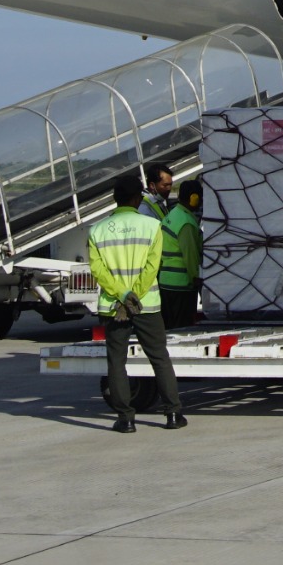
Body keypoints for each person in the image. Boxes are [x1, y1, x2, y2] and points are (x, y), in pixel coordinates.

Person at [88, 172, 183, 432]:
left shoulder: (96, 231)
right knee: (159, 358)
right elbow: (152, 267)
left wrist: (122, 297)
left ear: (115, 199)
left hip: (113, 308)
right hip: (147, 304)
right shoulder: (152, 227)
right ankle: (173, 414)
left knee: (117, 362)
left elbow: (98, 271)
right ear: (137, 199)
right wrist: (134, 297)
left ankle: (125, 419)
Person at [158, 178, 205, 330]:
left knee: (169, 327)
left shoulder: (172, 215)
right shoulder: (186, 222)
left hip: (166, 281)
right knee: (181, 328)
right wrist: (196, 278)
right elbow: (190, 255)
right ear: (193, 198)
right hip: (181, 284)